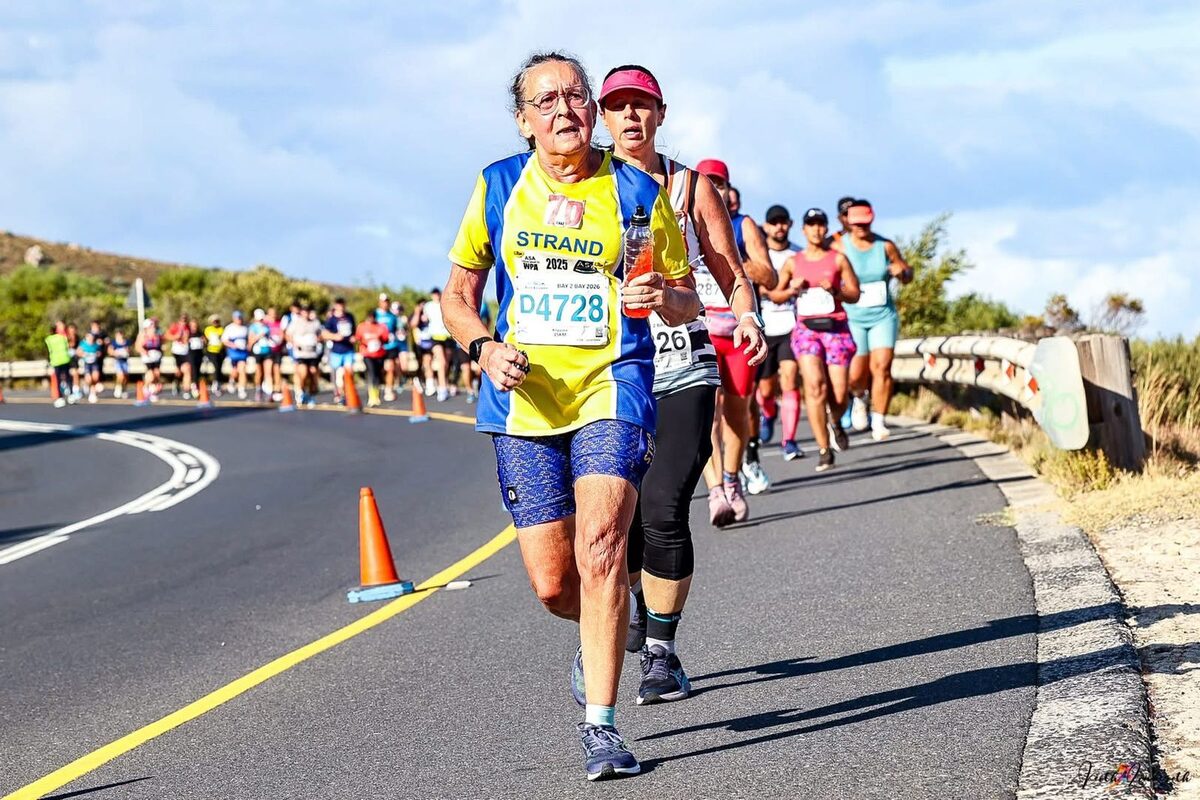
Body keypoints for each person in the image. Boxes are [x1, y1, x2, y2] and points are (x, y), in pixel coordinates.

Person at [442, 52, 699, 781]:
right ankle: (611, 620)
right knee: (557, 583)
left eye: (576, 95)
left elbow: (683, 297)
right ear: (523, 121)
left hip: (611, 386)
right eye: (546, 99)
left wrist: (661, 298)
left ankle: (601, 727)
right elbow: (456, 297)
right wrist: (483, 347)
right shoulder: (499, 186)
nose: (565, 109)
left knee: (602, 547)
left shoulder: (635, 192)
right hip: (523, 398)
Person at [599, 63, 766, 705]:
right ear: (603, 117)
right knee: (621, 519)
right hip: (611, 369)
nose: (631, 116)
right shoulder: (584, 184)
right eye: (618, 106)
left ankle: (662, 655)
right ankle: (636, 605)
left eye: (642, 105)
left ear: (660, 114)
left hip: (682, 361)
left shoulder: (690, 185)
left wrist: (746, 316)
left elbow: (730, 273)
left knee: (665, 505)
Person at [693, 158, 776, 524]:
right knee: (706, 414)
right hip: (701, 332)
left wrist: (729, 260)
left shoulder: (744, 225)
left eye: (720, 183)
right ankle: (716, 492)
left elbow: (770, 277)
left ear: (729, 189)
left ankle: (731, 478)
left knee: (737, 411)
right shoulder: (685, 220)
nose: (715, 189)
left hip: (738, 335)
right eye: (708, 182)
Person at [769, 208, 861, 470]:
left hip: (836, 328)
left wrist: (837, 291)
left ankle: (835, 421)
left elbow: (855, 293)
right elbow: (775, 295)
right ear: (804, 229)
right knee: (815, 387)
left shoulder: (838, 259)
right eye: (811, 224)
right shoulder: (793, 262)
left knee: (839, 394)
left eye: (820, 224)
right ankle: (824, 449)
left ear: (826, 228)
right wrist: (792, 290)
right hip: (807, 330)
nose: (816, 229)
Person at [841, 199, 912, 440]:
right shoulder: (840, 246)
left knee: (882, 367)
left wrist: (902, 271)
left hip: (883, 316)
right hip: (853, 317)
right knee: (855, 375)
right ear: (849, 223)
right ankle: (860, 396)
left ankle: (879, 420)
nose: (861, 228)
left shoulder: (885, 246)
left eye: (865, 223)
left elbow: (907, 274)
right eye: (857, 223)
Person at [755, 204, 804, 461]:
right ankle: (769, 412)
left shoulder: (798, 254)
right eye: (774, 222)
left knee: (790, 380)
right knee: (765, 389)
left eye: (783, 222)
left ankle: (790, 440)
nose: (779, 227)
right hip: (764, 327)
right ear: (766, 226)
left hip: (791, 326)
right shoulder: (759, 253)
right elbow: (759, 287)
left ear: (790, 224)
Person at [321, 297, 357, 405]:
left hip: (348, 350)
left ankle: (348, 393)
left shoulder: (350, 317)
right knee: (338, 375)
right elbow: (324, 334)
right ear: (336, 306)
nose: (341, 308)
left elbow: (354, 332)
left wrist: (354, 338)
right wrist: (335, 336)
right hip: (336, 351)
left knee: (349, 372)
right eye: (339, 305)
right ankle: (339, 394)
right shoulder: (331, 319)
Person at [356, 310, 391, 407]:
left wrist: (378, 340)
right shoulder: (362, 326)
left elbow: (386, 339)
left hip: (379, 354)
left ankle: (376, 395)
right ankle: (372, 397)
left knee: (378, 374)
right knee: (371, 373)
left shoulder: (381, 327)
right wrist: (365, 344)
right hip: (367, 354)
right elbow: (358, 338)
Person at [424, 288, 452, 402]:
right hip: (435, 337)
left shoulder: (445, 303)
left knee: (446, 364)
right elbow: (424, 318)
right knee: (442, 362)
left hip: (447, 337)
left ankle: (443, 383)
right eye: (434, 294)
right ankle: (442, 388)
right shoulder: (428, 306)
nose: (436, 296)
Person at [374, 294, 401, 402]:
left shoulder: (392, 316)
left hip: (391, 346)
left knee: (390, 367)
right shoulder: (375, 315)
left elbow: (397, 329)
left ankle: (389, 390)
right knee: (380, 369)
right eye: (383, 301)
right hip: (378, 347)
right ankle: (378, 387)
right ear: (379, 302)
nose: (385, 304)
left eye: (387, 301)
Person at [221, 310, 250, 399]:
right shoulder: (229, 328)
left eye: (240, 318)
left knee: (242, 369)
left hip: (243, 352)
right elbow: (224, 340)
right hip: (233, 352)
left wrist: (248, 346)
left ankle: (242, 389)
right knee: (235, 371)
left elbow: (249, 338)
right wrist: (232, 345)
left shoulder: (245, 328)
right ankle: (232, 380)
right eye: (237, 318)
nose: (239, 320)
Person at [46, 323, 74, 407]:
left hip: (56, 361)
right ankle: (71, 395)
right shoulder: (63, 337)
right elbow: (67, 347)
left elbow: (49, 351)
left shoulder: (48, 339)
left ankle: (60, 398)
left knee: (58, 380)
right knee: (68, 377)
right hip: (65, 359)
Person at [166, 314, 193, 398]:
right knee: (178, 372)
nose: (184, 321)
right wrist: (176, 336)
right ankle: (176, 382)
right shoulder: (175, 326)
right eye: (182, 320)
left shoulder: (188, 327)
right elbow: (167, 335)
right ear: (179, 320)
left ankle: (186, 390)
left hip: (186, 352)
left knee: (187, 369)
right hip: (177, 352)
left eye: (185, 320)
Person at [136, 318, 164, 400]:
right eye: (151, 326)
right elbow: (138, 347)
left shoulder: (157, 334)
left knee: (157, 374)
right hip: (148, 358)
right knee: (151, 375)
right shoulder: (143, 335)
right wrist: (144, 352)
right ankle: (145, 388)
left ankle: (152, 391)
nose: (153, 328)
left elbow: (161, 344)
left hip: (156, 357)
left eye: (153, 326)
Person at [77, 331, 104, 403]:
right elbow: (78, 352)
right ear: (86, 337)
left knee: (95, 377)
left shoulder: (96, 345)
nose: (90, 339)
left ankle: (92, 393)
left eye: (92, 337)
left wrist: (98, 354)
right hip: (87, 364)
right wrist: (82, 354)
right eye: (89, 337)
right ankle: (87, 386)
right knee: (89, 379)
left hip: (94, 364)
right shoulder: (83, 344)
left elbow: (100, 353)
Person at [203, 315, 226, 396]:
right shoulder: (208, 329)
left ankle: (218, 383)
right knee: (216, 365)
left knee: (219, 367)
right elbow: (205, 339)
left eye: (217, 321)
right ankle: (215, 383)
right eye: (214, 321)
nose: (215, 322)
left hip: (220, 351)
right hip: (211, 351)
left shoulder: (222, 329)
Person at [109, 329, 132, 399]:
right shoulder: (114, 343)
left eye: (121, 335)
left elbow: (130, 351)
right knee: (120, 375)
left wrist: (127, 351)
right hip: (117, 361)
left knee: (125, 376)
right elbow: (110, 351)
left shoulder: (126, 342)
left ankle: (124, 389)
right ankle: (118, 388)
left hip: (125, 361)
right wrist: (115, 353)